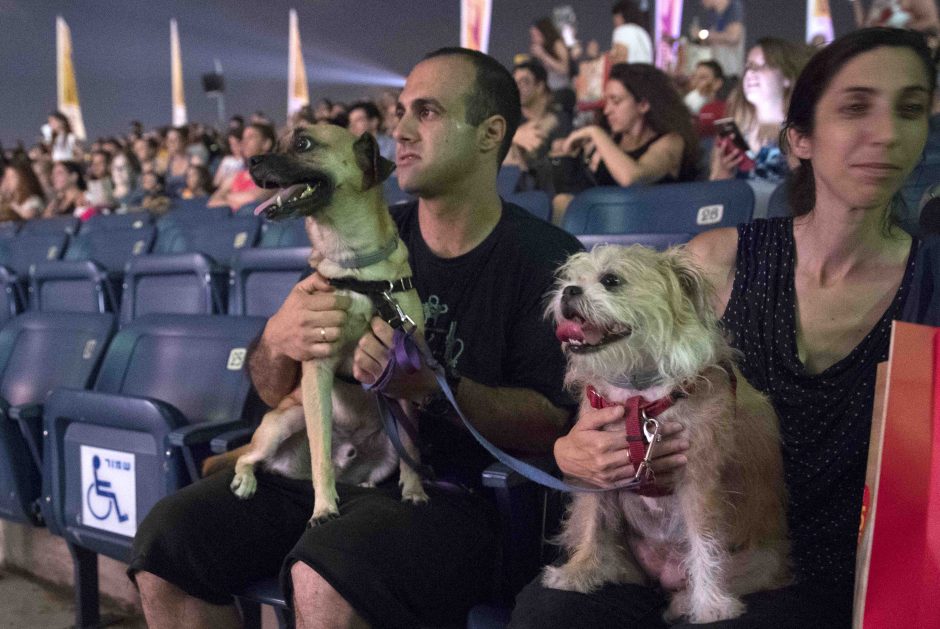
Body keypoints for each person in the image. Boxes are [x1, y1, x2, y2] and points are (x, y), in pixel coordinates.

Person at [129, 46, 584, 629]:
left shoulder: (545, 260)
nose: (400, 130)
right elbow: (274, 391)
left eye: (427, 112)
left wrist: (431, 386)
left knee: (326, 574)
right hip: (337, 470)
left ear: (489, 134)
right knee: (169, 543)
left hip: (458, 493)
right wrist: (277, 340)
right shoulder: (364, 236)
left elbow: (552, 423)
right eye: (400, 112)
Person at [510, 27, 939, 629]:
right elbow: (604, 392)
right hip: (664, 550)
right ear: (800, 138)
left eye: (912, 109)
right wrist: (571, 449)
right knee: (546, 615)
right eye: (855, 107)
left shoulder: (932, 282)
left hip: (852, 579)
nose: (889, 132)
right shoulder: (717, 261)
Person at [553, 63, 700, 222]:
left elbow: (632, 178)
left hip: (652, 227)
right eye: (606, 102)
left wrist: (595, 133)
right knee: (562, 202)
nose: (607, 110)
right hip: (607, 225)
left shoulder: (671, 142)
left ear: (643, 105)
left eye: (615, 101)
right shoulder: (611, 141)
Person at [710, 38, 811, 184]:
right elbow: (713, 192)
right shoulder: (733, 131)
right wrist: (720, 176)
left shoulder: (802, 131)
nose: (750, 72)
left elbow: (808, 194)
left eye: (762, 65)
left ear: (787, 78)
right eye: (749, 66)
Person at [504, 60, 572, 192]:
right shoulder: (508, 122)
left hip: (549, 189)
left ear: (540, 86)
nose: (517, 88)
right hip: (515, 187)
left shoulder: (559, 120)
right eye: (514, 83)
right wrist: (512, 137)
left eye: (524, 82)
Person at [207, 123, 276, 212]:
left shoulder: (275, 176)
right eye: (243, 138)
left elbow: (252, 198)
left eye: (251, 137)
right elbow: (212, 202)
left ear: (266, 143)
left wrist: (225, 197)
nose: (244, 142)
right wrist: (236, 200)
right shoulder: (235, 176)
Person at [697, 0, 746, 78]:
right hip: (718, 72)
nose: (701, 2)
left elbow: (733, 37)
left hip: (730, 74)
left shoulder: (733, 7)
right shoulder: (714, 13)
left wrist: (707, 35)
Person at [530, 17, 572, 93]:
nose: (533, 39)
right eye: (532, 36)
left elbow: (564, 69)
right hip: (547, 93)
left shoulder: (557, 44)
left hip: (562, 91)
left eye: (536, 35)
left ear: (544, 33)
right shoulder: (541, 49)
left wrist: (543, 55)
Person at [610, 0, 653, 65]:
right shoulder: (644, 34)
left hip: (629, 73)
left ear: (621, 16)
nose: (614, 22)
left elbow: (619, 62)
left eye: (615, 18)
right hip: (646, 74)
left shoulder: (622, 31)